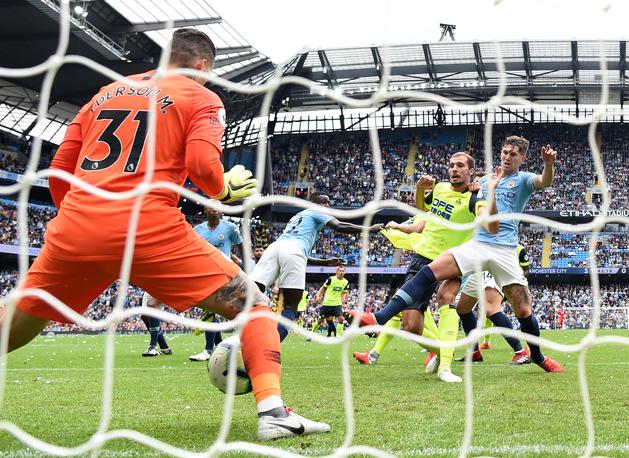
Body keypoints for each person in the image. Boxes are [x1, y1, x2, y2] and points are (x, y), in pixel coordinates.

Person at [0, 28, 330, 440]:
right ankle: (273, 412)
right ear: (203, 66)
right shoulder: (201, 96)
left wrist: (81, 220)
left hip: (76, 228)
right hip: (147, 229)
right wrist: (223, 188)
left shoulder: (105, 92)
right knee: (255, 305)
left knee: (17, 323)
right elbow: (202, 167)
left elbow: (61, 169)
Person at [346, 136, 564, 373]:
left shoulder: (522, 180)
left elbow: (544, 181)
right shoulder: (485, 179)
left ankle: (539, 357)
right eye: (504, 152)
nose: (507, 157)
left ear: (522, 158)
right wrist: (472, 187)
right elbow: (464, 194)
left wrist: (548, 164)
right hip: (477, 243)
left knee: (523, 310)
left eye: (513, 154)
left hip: (505, 249)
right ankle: (378, 317)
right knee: (431, 272)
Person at [348, 152, 497, 382]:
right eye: (451, 165)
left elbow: (485, 220)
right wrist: (419, 189)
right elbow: (423, 210)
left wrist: (482, 196)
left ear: (471, 171)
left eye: (460, 165)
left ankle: (445, 368)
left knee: (447, 297)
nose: (454, 169)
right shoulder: (440, 189)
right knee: (411, 326)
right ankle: (442, 351)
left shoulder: (474, 198)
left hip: (453, 260)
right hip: (423, 258)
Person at [250, 191, 383, 341]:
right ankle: (269, 344)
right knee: (291, 306)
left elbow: (295, 250)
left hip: (274, 248)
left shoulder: (298, 216)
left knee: (252, 293)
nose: (327, 206)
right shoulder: (316, 211)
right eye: (323, 202)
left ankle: (248, 333)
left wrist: (324, 262)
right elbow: (339, 226)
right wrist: (370, 229)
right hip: (292, 250)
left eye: (328, 203)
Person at [189, 205, 243, 362]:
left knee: (216, 309)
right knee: (211, 309)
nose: (214, 209)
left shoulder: (230, 228)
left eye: (217, 207)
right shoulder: (198, 230)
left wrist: (245, 267)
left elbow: (241, 246)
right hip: (204, 272)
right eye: (210, 207)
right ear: (205, 210)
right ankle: (218, 345)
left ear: (221, 211)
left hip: (224, 272)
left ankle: (209, 349)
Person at [472, 243, 531, 359]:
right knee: (490, 311)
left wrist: (519, 279)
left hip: (515, 285)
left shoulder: (519, 249)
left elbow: (526, 270)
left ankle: (529, 346)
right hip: (499, 283)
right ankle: (486, 342)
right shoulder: (491, 247)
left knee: (524, 315)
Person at [315, 265, 349, 337]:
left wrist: (344, 300)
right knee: (320, 320)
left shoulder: (346, 282)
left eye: (343, 271)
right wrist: (318, 296)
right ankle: (311, 334)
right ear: (337, 272)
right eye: (340, 271)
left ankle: (338, 336)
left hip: (337, 304)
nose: (341, 272)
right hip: (327, 303)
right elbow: (323, 288)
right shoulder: (331, 279)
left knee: (340, 319)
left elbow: (344, 292)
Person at [140, 291, 172, 357]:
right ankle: (164, 348)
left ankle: (152, 347)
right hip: (149, 288)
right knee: (144, 317)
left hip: (162, 286)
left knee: (152, 305)